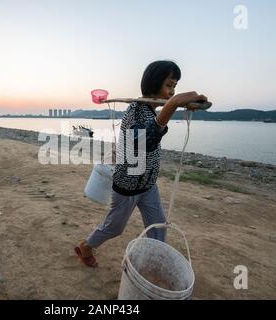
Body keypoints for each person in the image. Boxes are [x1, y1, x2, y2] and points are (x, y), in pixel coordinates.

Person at [75, 60, 208, 267]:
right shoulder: (135, 110)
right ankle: (87, 246)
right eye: (169, 85)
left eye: (175, 87)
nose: (172, 91)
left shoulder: (153, 110)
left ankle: (154, 264)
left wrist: (184, 100)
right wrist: (174, 104)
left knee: (158, 228)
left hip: (148, 185)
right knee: (114, 228)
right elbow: (142, 141)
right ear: (154, 83)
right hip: (127, 186)